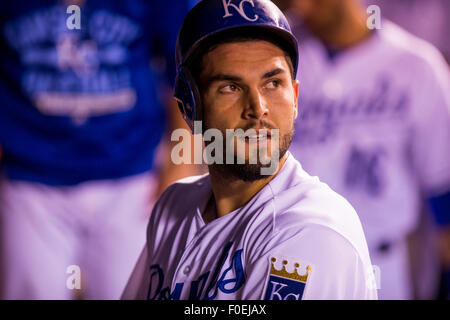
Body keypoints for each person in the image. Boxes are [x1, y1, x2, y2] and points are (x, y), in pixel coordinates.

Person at [122, 0, 377, 300]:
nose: (258, 108)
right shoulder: (173, 207)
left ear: (295, 97)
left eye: (272, 83)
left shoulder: (312, 229)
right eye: (231, 87)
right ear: (189, 108)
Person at [0, 0, 196, 299]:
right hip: (28, 178)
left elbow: (185, 70)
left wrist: (183, 161)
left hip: (131, 178)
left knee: (130, 291)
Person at [275, 0, 450, 299]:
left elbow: (442, 190)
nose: (303, 7)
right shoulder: (278, 59)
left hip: (381, 266)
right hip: (290, 265)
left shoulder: (417, 66)